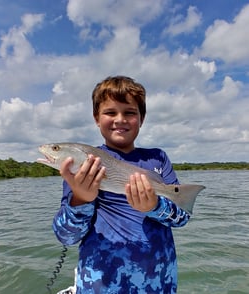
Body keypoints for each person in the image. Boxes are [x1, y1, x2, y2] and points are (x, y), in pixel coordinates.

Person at [53, 76, 190, 294]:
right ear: (96, 118)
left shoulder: (158, 158)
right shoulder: (83, 167)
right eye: (110, 112)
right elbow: (67, 236)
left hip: (158, 283)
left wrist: (154, 206)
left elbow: (182, 218)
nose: (120, 119)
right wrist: (80, 199)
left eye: (129, 112)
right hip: (100, 284)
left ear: (141, 118)